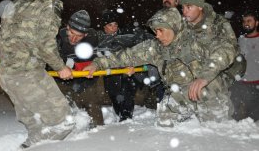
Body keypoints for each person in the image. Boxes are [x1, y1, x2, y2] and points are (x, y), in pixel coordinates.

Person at [84, 7, 238, 127]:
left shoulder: (195, 40)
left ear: (174, 27)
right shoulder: (156, 48)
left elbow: (226, 49)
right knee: (164, 117)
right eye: (155, 31)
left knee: (214, 130)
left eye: (161, 30)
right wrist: (97, 64)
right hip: (181, 95)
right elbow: (126, 56)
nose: (157, 35)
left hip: (208, 91)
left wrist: (205, 76)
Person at [0, 0, 75, 148]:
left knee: (34, 123)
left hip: (7, 75)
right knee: (64, 121)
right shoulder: (47, 4)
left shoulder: (16, 2)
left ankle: (30, 150)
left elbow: (5, 39)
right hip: (28, 74)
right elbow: (44, 44)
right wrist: (61, 67)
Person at [178, 0, 246, 116]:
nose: (184, 11)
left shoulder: (219, 24)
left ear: (200, 7)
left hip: (222, 70)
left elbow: (226, 50)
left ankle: (219, 115)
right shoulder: (182, 26)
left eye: (189, 7)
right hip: (196, 70)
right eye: (182, 7)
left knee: (205, 91)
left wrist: (204, 76)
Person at [56, 10, 104, 126]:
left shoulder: (94, 38)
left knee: (96, 120)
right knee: (59, 115)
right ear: (67, 27)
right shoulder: (57, 37)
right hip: (61, 83)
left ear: (86, 34)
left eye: (79, 36)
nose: (73, 39)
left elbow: (110, 52)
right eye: (71, 33)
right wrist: (63, 66)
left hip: (86, 81)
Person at [97, 9, 142, 121]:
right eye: (110, 25)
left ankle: (126, 118)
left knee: (127, 92)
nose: (114, 27)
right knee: (115, 95)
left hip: (127, 73)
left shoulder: (125, 37)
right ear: (104, 27)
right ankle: (120, 114)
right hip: (110, 74)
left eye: (115, 24)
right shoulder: (99, 40)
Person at [230, 12, 259, 121]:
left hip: (256, 86)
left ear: (256, 23)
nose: (246, 23)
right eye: (244, 21)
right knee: (234, 119)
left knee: (254, 122)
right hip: (239, 84)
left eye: (249, 21)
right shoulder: (240, 39)